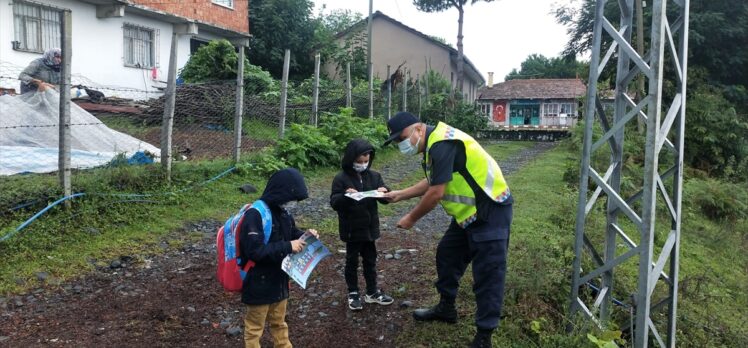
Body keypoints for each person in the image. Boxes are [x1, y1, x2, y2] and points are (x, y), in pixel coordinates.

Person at [382, 112, 513, 348]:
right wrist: (400, 195)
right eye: (396, 141)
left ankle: (484, 336)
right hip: (468, 213)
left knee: (488, 274)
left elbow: (435, 193)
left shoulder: (441, 143)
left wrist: (411, 218)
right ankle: (446, 308)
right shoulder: (433, 143)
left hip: (489, 209)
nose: (400, 144)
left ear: (418, 129)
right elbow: (434, 180)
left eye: (401, 138)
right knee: (447, 255)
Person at [239, 168, 319, 348]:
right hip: (258, 282)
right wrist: (288, 246)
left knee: (280, 323)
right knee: (254, 328)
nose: (292, 204)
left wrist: (305, 235)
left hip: (279, 280)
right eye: (291, 199)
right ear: (281, 193)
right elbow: (254, 251)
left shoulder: (283, 212)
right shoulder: (255, 214)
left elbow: (291, 233)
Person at [330, 139, 394, 311]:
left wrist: (384, 192)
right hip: (351, 229)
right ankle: (353, 292)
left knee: (370, 260)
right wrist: (346, 196)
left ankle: (372, 292)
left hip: (370, 229)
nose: (363, 165)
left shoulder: (374, 176)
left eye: (366, 161)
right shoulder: (341, 178)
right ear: (351, 159)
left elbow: (386, 198)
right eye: (359, 161)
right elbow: (334, 202)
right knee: (351, 261)